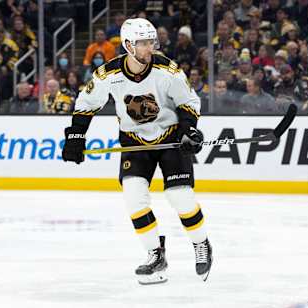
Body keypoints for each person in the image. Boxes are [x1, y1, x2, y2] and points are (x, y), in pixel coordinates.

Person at [62, 18, 212, 285]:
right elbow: (86, 103)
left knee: (180, 197)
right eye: (143, 43)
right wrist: (76, 135)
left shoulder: (167, 69)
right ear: (129, 45)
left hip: (171, 138)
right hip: (134, 140)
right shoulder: (109, 74)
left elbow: (188, 102)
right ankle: (155, 254)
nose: (149, 48)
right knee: (133, 198)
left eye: (151, 42)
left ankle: (201, 244)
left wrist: (189, 130)